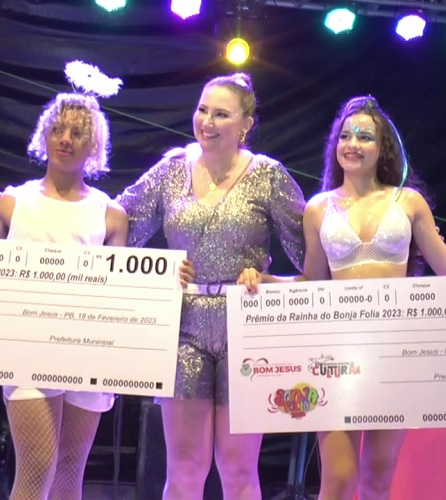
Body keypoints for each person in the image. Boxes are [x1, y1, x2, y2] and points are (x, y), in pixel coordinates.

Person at [238, 95, 446, 500]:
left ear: (383, 148)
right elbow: (311, 281)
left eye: (364, 137)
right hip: (336, 353)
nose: (353, 144)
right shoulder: (318, 208)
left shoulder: (407, 202)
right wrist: (265, 281)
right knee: (338, 479)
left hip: (394, 351)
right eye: (345, 136)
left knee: (377, 478)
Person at [0, 62, 194, 500]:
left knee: (69, 473)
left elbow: (123, 290)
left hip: (87, 352)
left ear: (93, 144)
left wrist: (169, 278)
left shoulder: (110, 213)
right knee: (37, 466)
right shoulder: (12, 202)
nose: (65, 139)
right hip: (26, 346)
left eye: (77, 132)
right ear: (43, 135)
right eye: (58, 129)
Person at [115, 73, 305, 499]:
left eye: (221, 114)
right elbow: (117, 223)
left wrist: (271, 281)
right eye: (202, 110)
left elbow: (314, 259)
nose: (207, 121)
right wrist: (159, 271)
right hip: (184, 328)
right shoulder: (171, 169)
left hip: (246, 328)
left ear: (245, 124)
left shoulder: (268, 175)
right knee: (184, 469)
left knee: (238, 469)